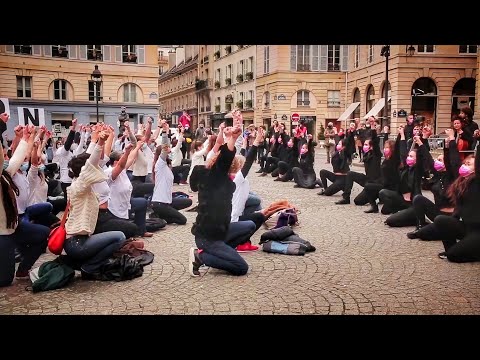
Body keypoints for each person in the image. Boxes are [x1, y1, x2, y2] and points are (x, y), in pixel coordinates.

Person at [188, 110, 249, 277]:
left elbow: (231, 153)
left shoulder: (221, 178)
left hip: (221, 231)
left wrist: (237, 128)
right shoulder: (215, 177)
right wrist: (232, 138)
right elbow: (226, 158)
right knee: (241, 268)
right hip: (207, 236)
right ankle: (201, 256)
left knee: (249, 225)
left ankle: (223, 249)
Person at [63, 131, 126, 278]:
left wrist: (99, 142)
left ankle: (88, 264)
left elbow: (89, 163)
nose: (97, 167)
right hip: (76, 243)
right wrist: (100, 143)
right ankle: (89, 267)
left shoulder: (80, 185)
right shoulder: (79, 186)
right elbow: (89, 165)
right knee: (120, 236)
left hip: (79, 240)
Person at [0, 123, 50, 286]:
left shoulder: (6, 175)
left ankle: (23, 267)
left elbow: (17, 157)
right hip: (2, 234)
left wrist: (26, 138)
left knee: (43, 233)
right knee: (5, 280)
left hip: (14, 225)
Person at [434, 137, 480, 262]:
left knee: (454, 256)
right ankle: (451, 249)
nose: (464, 166)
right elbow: (452, 164)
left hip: (477, 231)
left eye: (468, 164)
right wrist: (447, 147)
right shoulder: (461, 183)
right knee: (440, 220)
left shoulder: (477, 181)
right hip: (465, 227)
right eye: (464, 163)